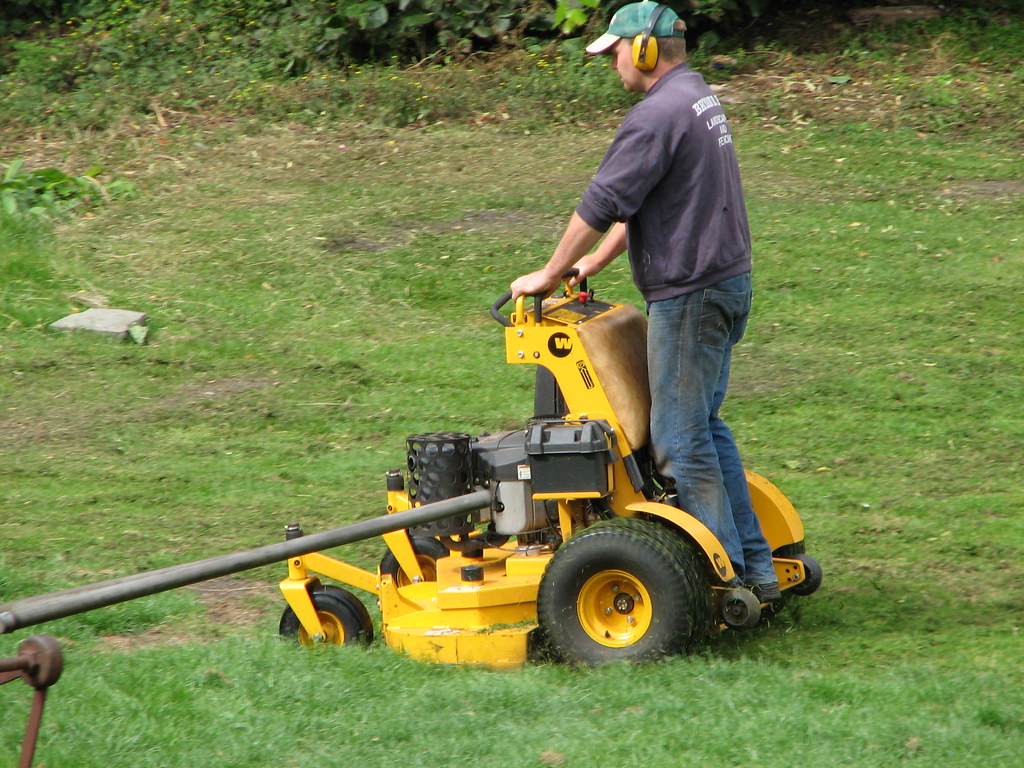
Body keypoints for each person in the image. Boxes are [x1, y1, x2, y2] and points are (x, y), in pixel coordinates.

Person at [509, 1, 781, 601]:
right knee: (704, 429)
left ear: (645, 49)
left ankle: (723, 584)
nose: (613, 65)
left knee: (680, 444)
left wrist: (551, 274)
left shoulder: (655, 116)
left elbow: (602, 202)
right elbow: (650, 201)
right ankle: (757, 572)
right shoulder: (696, 97)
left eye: (615, 52)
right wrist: (594, 263)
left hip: (691, 296)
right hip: (726, 285)